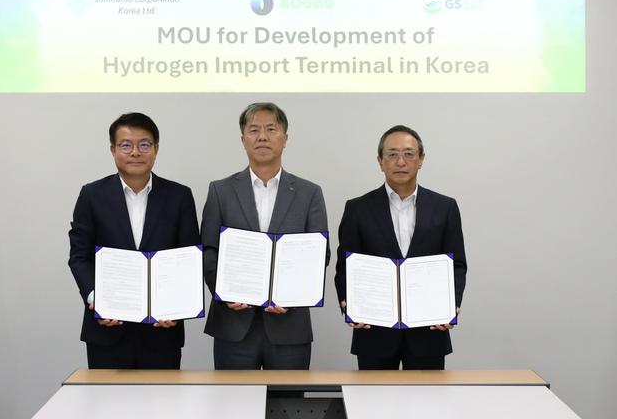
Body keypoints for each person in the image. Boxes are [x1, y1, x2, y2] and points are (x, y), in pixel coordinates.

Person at [202, 102, 329, 370]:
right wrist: (224, 292)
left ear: (285, 139)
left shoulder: (309, 193)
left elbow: (320, 254)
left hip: (289, 327)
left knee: (287, 397)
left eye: (271, 129)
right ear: (243, 140)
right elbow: (208, 250)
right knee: (234, 397)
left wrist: (294, 297)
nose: (262, 137)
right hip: (233, 327)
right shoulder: (220, 191)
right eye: (254, 130)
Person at [68, 112, 200, 369]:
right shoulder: (92, 195)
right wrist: (97, 300)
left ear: (156, 149)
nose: (136, 152)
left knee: (162, 396)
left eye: (144, 144)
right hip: (107, 331)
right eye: (126, 145)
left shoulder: (179, 196)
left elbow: (189, 258)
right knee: (108, 397)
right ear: (113, 150)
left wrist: (178, 307)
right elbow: (79, 257)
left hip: (162, 331)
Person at [334, 125, 467, 370]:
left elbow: (457, 264)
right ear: (380, 161)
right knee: (374, 395)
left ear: (421, 159)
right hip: (374, 330)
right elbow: (345, 265)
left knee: (427, 395)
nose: (401, 162)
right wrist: (348, 302)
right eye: (392, 154)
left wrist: (451, 305)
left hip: (429, 329)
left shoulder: (445, 207)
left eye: (408, 154)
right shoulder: (358, 208)